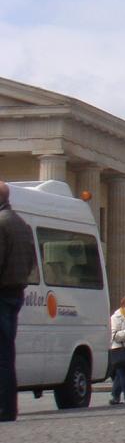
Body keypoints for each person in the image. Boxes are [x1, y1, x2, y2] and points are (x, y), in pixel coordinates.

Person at [0, 181, 37, 422]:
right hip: (16, 292)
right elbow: (31, 260)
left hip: (2, 293)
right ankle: (9, 407)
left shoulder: (1, 222)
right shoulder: (21, 223)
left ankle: (4, 408)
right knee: (7, 352)